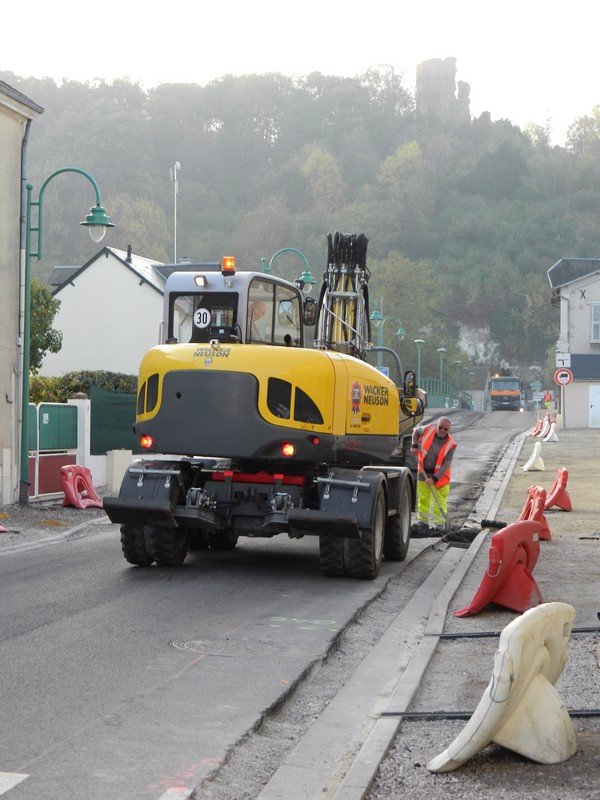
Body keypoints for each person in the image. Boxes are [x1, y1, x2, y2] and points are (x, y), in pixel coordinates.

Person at [409, 416, 457, 534]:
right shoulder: (428, 429)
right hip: (423, 471)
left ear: (448, 430)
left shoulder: (450, 444)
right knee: (423, 498)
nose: (442, 431)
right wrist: (415, 445)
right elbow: (415, 432)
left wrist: (434, 478)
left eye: (445, 429)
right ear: (437, 426)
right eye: (440, 427)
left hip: (440, 476)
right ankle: (423, 523)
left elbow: (446, 464)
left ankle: (440, 525)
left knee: (439, 501)